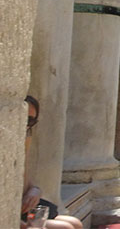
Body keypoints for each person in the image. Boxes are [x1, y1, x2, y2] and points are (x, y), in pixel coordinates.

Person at [21, 96, 84, 229]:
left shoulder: (26, 139)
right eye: (24, 119)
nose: (26, 125)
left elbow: (28, 182)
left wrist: (35, 191)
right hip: (14, 210)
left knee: (75, 224)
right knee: (66, 228)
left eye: (31, 121)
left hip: (26, 207)